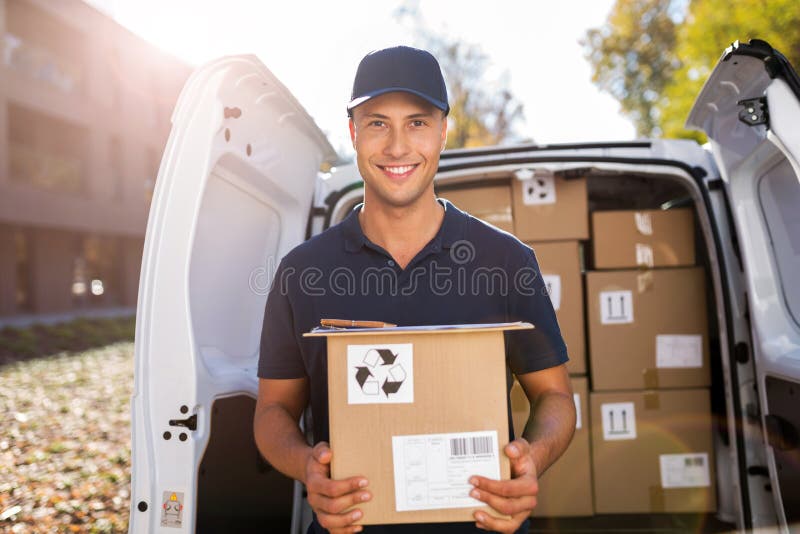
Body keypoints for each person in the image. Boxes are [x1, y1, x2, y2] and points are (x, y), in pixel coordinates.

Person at [254, 46, 576, 534]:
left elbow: (555, 397)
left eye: (418, 123)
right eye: (378, 123)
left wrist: (531, 457)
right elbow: (274, 410)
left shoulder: (506, 261)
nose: (398, 146)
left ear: (444, 131)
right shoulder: (303, 271)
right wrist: (306, 467)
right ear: (354, 133)